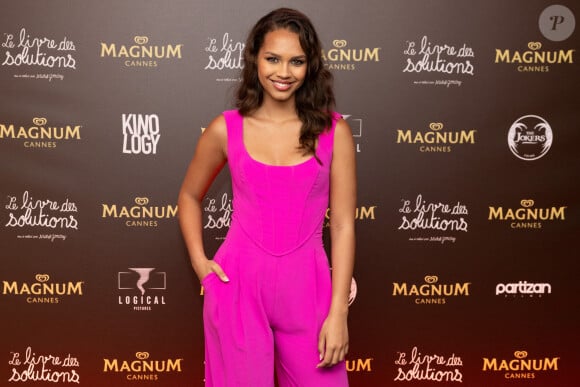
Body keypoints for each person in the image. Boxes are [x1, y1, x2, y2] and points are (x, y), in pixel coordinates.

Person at [178, 7, 356, 387]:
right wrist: (199, 262)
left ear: (310, 66)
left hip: (308, 289)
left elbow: (341, 225)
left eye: (296, 61)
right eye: (273, 58)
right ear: (255, 59)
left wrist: (338, 311)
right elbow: (190, 196)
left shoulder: (335, 132)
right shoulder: (225, 129)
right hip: (238, 287)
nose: (283, 72)